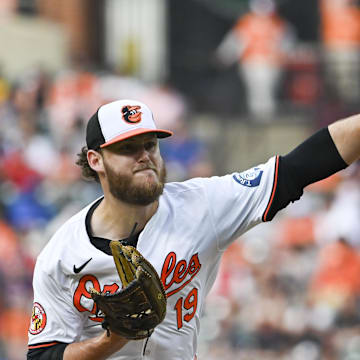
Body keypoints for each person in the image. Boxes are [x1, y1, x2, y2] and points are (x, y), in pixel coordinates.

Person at [27, 98, 360, 360]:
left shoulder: (201, 205)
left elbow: (298, 168)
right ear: (96, 159)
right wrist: (112, 340)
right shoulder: (61, 255)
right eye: (128, 148)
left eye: (150, 144)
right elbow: (44, 355)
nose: (144, 156)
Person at [216, 0, 295, 120]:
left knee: (266, 91)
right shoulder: (247, 23)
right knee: (258, 91)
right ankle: (261, 118)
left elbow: (287, 44)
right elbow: (235, 42)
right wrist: (224, 56)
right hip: (252, 62)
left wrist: (224, 56)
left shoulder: (278, 23)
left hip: (270, 63)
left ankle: (264, 117)